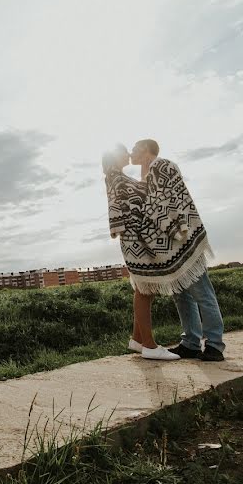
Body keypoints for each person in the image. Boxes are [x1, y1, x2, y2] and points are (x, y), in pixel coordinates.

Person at [128, 139, 226, 361]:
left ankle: (215, 345)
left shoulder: (163, 166)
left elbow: (168, 204)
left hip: (183, 239)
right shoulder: (146, 175)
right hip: (170, 249)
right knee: (181, 296)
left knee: (202, 293)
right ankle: (190, 343)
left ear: (145, 149)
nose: (131, 152)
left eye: (134, 149)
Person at [103, 144, 180, 361]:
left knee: (144, 287)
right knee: (145, 288)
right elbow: (139, 198)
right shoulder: (114, 176)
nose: (128, 154)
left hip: (135, 238)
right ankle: (149, 345)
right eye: (124, 151)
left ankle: (137, 339)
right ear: (114, 156)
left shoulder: (117, 176)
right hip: (134, 239)